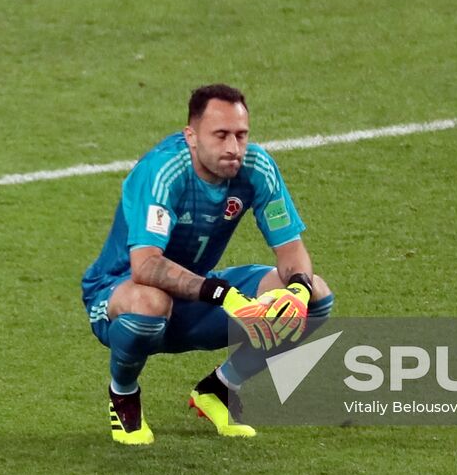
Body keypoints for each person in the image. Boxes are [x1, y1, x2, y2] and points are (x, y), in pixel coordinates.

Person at [80, 84, 335, 444]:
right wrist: (223, 295)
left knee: (315, 299)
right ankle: (123, 393)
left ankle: (220, 387)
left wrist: (297, 289)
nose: (233, 148)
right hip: (119, 292)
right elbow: (146, 266)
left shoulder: (257, 167)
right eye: (221, 135)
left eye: (241, 135)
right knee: (151, 303)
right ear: (191, 136)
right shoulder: (163, 171)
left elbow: (291, 250)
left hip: (200, 292)